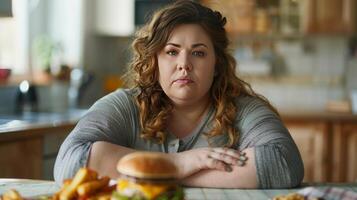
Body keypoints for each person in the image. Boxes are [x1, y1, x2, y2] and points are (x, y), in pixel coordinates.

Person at [54, 0, 304, 189]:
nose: (184, 64)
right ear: (155, 60)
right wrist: (179, 164)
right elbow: (70, 163)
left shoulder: (244, 110)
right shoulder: (126, 105)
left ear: (216, 64)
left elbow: (284, 164)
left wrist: (164, 177)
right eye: (172, 52)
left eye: (198, 53)